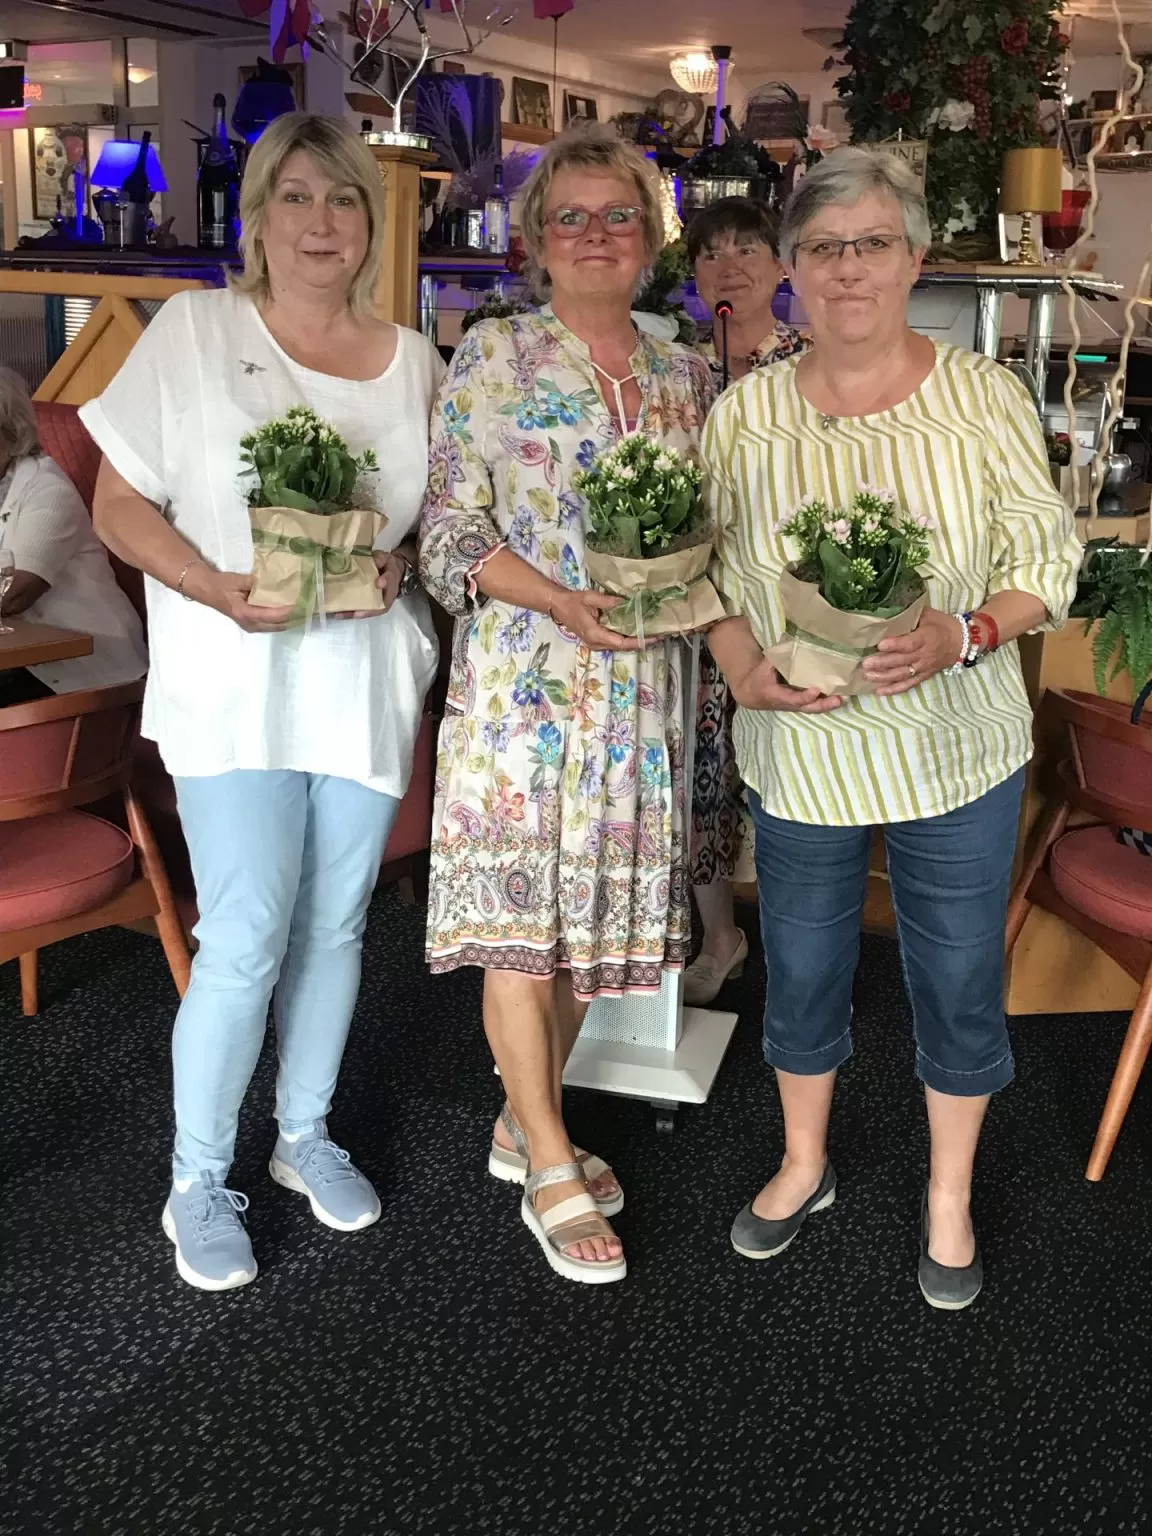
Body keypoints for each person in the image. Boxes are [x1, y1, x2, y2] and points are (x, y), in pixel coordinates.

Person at [703, 148, 1081, 1310]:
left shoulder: (983, 397)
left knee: (958, 974)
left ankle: (949, 1190)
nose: (849, 268)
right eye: (824, 248)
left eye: (872, 243)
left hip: (955, 747)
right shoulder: (748, 413)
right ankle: (806, 1162)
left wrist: (965, 632)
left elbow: (1047, 560)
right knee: (803, 970)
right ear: (791, 273)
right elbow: (705, 572)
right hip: (802, 753)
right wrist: (742, 674)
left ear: (915, 258)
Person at [80, 113, 444, 1292]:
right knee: (242, 937)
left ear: (370, 223)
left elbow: (439, 529)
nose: (322, 223)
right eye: (296, 198)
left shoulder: (415, 361)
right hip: (233, 682)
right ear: (258, 220)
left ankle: (302, 1135)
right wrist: (209, 589)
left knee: (337, 928)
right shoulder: (196, 330)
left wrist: (401, 570)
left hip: (361, 680)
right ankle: (197, 1179)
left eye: (342, 200)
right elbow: (116, 504)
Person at [419, 123, 712, 1286]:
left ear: (650, 239)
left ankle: (518, 1118)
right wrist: (559, 600)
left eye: (619, 216)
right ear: (535, 241)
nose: (597, 235)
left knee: (592, 935)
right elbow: (449, 530)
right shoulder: (492, 357)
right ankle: (547, 1154)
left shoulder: (688, 371)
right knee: (522, 931)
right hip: (523, 688)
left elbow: (710, 533)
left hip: (643, 694)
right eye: (572, 217)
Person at [681, 198, 810, 1006]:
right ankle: (718, 936)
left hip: (791, 599)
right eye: (711, 253)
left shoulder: (811, 357)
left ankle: (805, 947)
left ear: (782, 265)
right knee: (703, 775)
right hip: (700, 605)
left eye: (748, 247)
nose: (730, 264)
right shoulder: (679, 367)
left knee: (790, 776)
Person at [0, 366, 146, 708]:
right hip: (22, 660)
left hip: (87, 666)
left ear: (8, 432)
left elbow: (17, 593)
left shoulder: (46, 490)